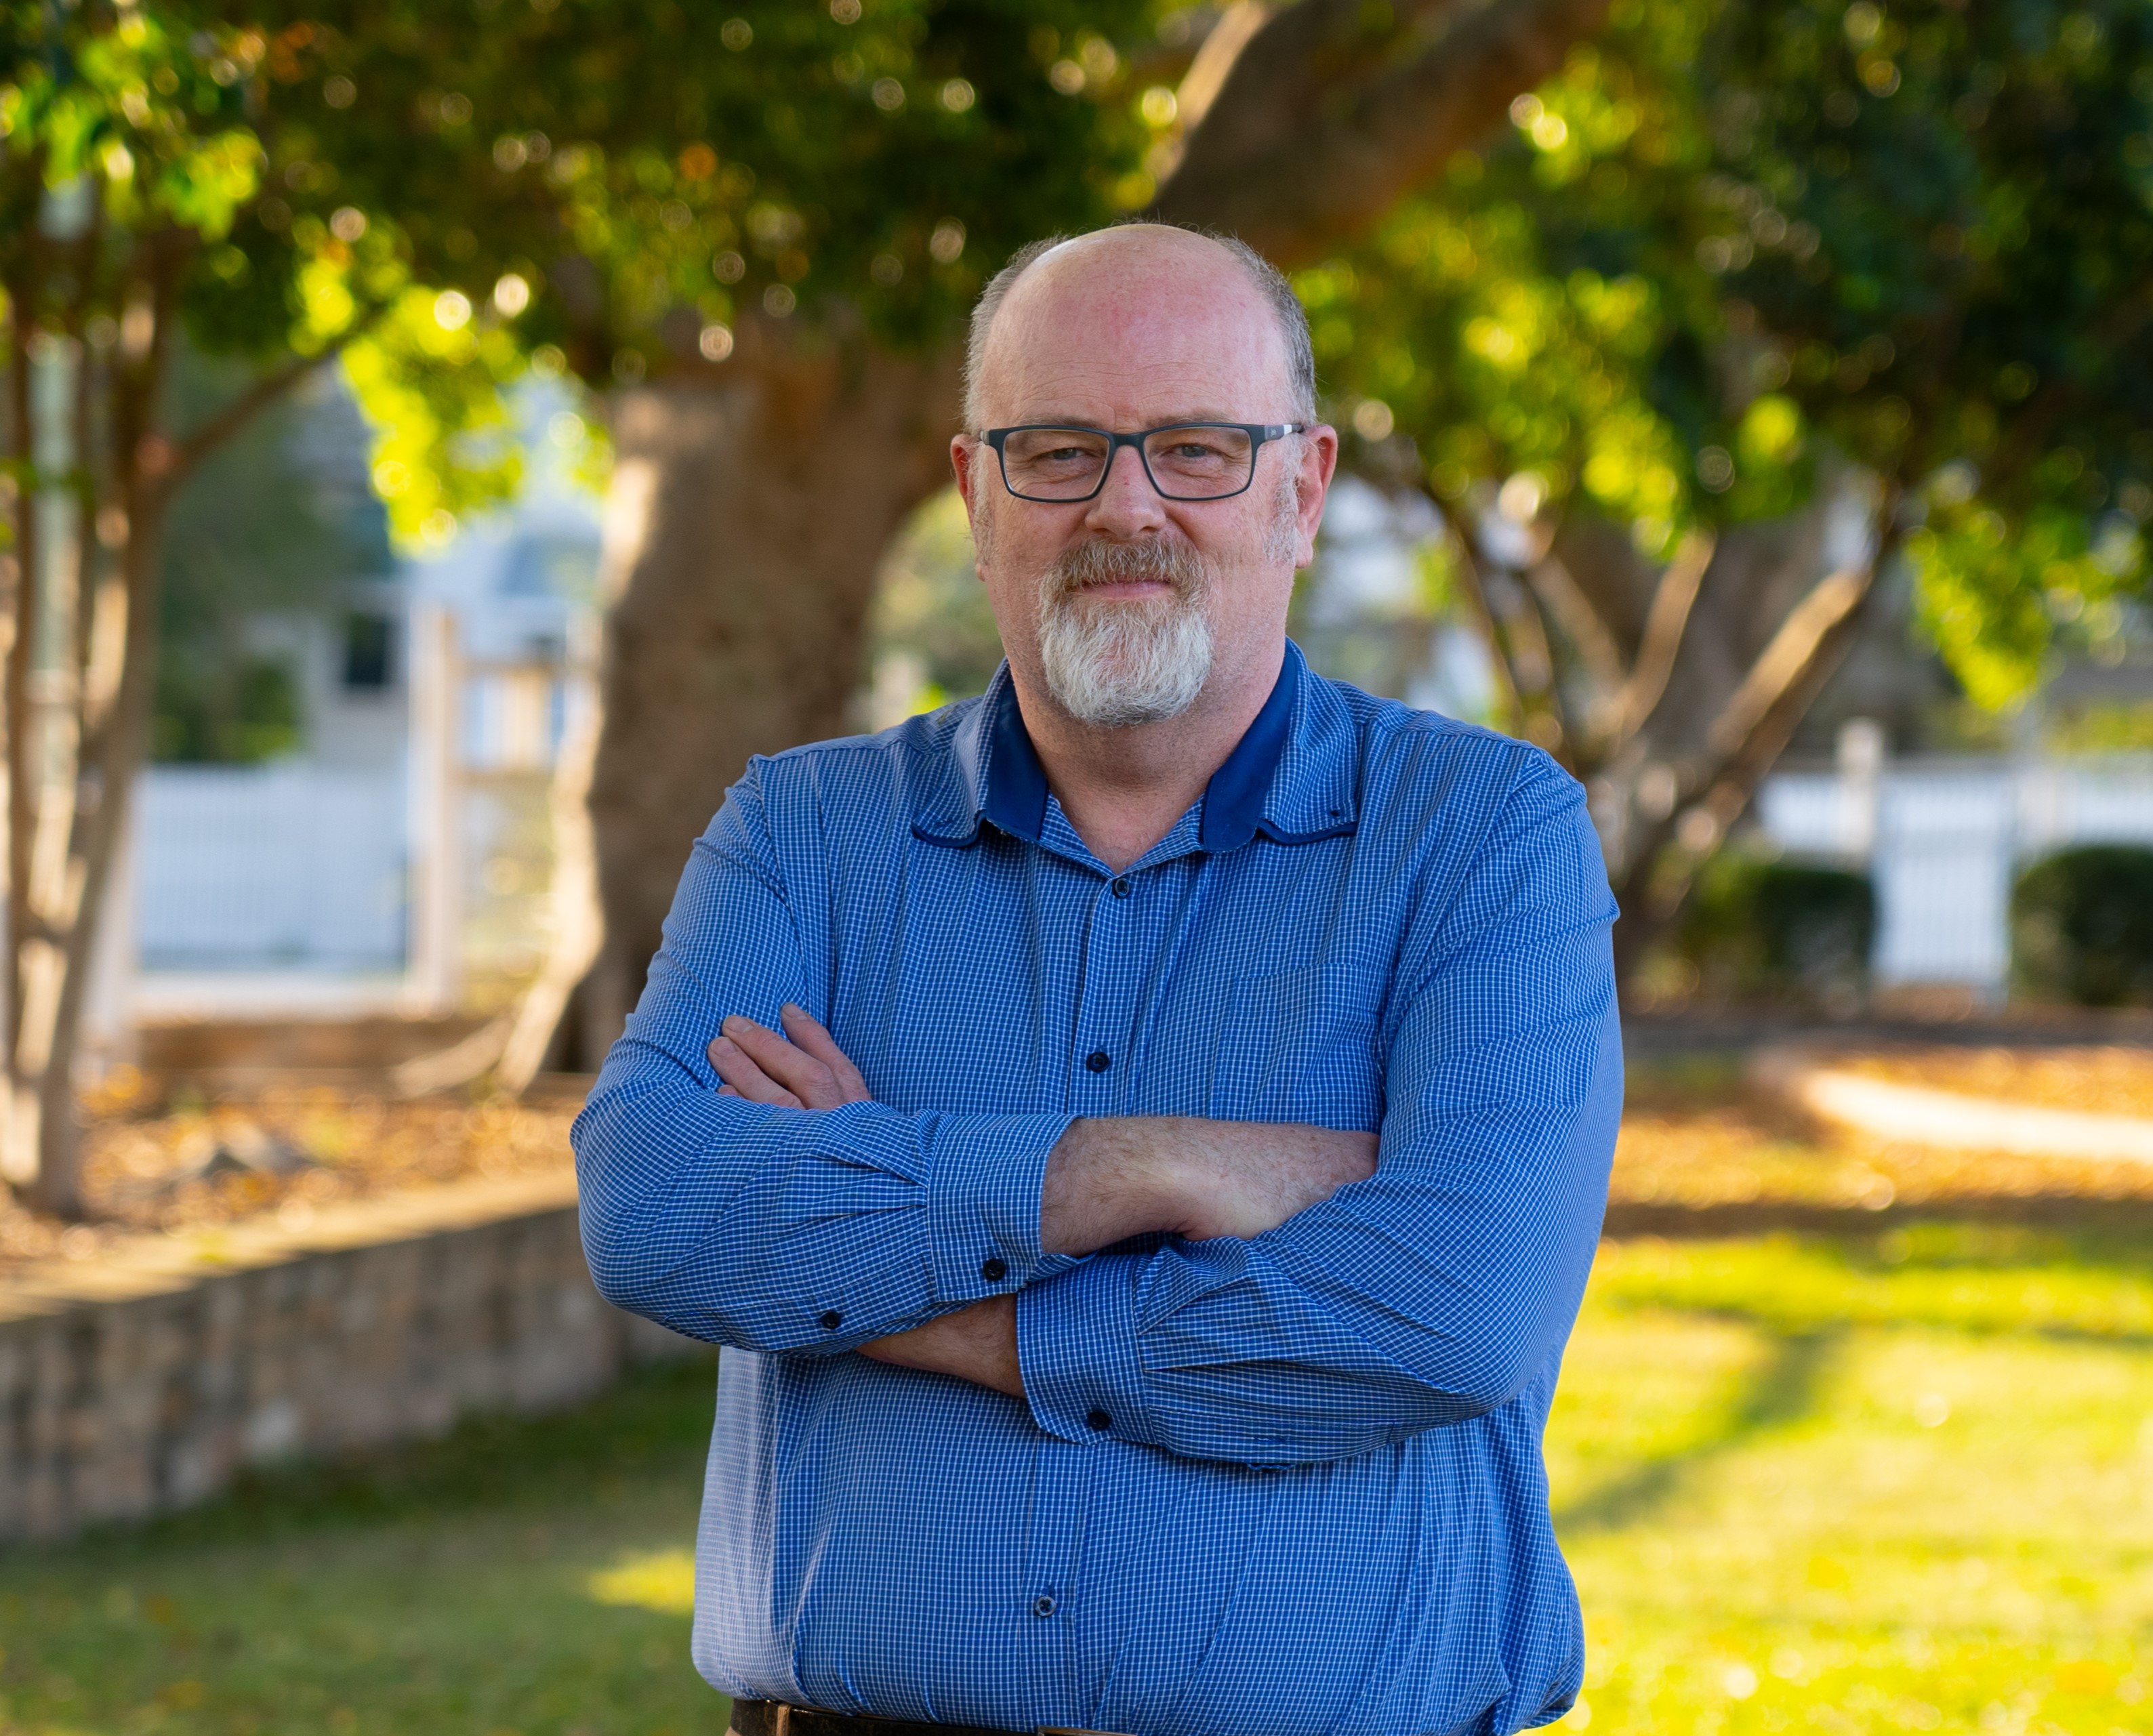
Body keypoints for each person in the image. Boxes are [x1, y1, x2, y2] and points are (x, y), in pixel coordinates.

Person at [573, 222, 1622, 1736]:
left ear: (1301, 489)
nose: (1125, 506)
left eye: (1196, 448)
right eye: (1057, 449)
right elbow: (655, 1206)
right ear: (972, 492)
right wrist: (1136, 1168)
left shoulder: (1483, 837)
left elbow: (1453, 1310)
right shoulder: (803, 832)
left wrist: (905, 1295)